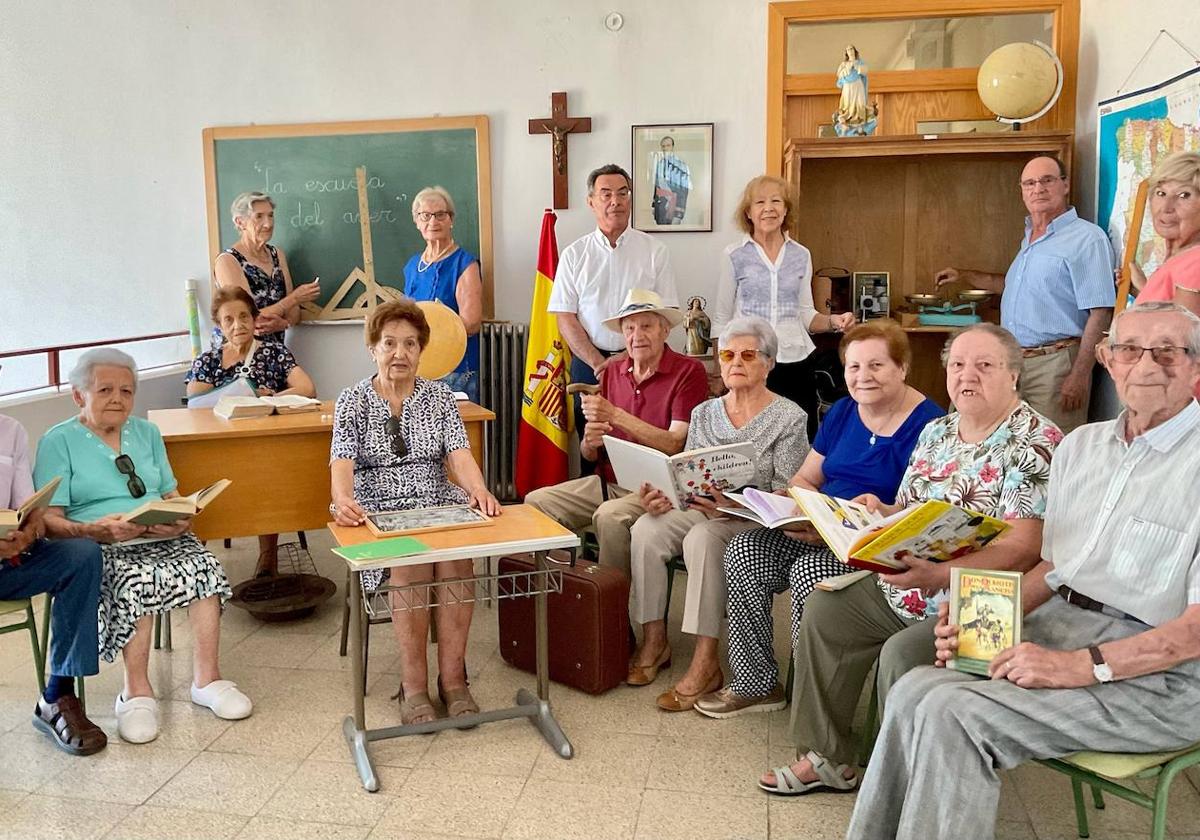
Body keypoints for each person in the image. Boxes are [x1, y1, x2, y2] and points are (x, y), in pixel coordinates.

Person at [846, 302, 1200, 840]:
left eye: (1168, 352)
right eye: (1129, 348)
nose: (1146, 365)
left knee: (951, 711)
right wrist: (978, 614)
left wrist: (1083, 666)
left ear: (1197, 366)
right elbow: (1058, 568)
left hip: (1163, 676)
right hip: (1062, 623)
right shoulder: (1084, 447)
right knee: (914, 691)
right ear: (1107, 359)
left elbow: (1193, 632)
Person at [757, 323, 1061, 796]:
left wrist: (939, 573)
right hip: (911, 582)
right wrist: (882, 512)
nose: (968, 376)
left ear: (1014, 375)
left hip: (983, 601)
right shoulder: (938, 431)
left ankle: (898, 781)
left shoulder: (1035, 442)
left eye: (984, 365)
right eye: (958, 365)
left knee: (901, 655)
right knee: (826, 610)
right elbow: (911, 506)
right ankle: (827, 757)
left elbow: (1025, 547)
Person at [696, 321, 943, 719]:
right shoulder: (844, 411)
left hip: (869, 542)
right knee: (743, 550)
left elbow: (923, 508)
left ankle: (809, 693)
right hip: (818, 525)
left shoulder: (931, 425)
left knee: (809, 572)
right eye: (854, 367)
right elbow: (807, 477)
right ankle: (755, 684)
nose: (863, 377)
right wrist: (796, 505)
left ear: (903, 367)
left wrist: (865, 514)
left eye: (876, 366)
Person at [34, 348, 252, 745]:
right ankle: (135, 692)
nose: (118, 399)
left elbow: (170, 491)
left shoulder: (147, 433)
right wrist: (94, 530)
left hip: (157, 534)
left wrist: (181, 517)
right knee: (137, 579)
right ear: (79, 395)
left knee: (205, 566)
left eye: (126, 391)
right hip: (99, 542)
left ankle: (207, 679)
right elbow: (48, 520)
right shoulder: (59, 441)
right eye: (105, 390)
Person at [329, 299, 500, 726]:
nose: (399, 353)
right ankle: (414, 686)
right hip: (380, 512)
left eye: (409, 344)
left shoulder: (440, 397)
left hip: (437, 503)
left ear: (421, 350)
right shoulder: (352, 401)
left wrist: (478, 489)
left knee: (457, 562)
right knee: (410, 567)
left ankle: (454, 681)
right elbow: (341, 463)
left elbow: (459, 455)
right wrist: (344, 499)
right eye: (389, 343)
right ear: (373, 348)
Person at [627, 317, 808, 710]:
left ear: (769, 362)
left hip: (751, 522)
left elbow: (789, 494)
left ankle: (706, 659)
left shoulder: (789, 417)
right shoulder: (705, 413)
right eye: (727, 354)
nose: (736, 362)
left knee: (703, 538)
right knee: (647, 528)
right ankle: (654, 639)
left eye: (748, 354)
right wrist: (664, 495)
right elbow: (688, 471)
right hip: (701, 509)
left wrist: (735, 504)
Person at [525, 289, 707, 576]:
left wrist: (616, 415)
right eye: (629, 328)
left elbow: (675, 443)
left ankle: (613, 613)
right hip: (609, 482)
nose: (637, 335)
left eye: (646, 326)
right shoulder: (612, 371)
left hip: (659, 489)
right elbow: (591, 452)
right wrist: (589, 442)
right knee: (536, 502)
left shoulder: (688, 371)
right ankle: (563, 598)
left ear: (665, 330)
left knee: (609, 517)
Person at [935, 155, 1115, 433]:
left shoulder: (1087, 238)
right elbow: (1014, 286)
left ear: (1065, 185)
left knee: (1051, 450)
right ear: (1022, 190)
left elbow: (1101, 312)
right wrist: (964, 275)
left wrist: (1079, 375)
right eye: (1029, 183)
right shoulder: (1030, 237)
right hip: (1012, 362)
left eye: (1047, 180)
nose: (1037, 189)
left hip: (1055, 366)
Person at [186, 285, 317, 577]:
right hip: (217, 447)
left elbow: (306, 388)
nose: (238, 324)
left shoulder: (273, 352)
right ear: (219, 326)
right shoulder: (208, 360)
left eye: (244, 316)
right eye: (228, 320)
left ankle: (267, 555)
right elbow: (194, 401)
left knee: (266, 475)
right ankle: (197, 555)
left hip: (263, 446)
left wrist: (268, 399)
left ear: (254, 318)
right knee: (195, 472)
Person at [712, 175, 856, 440]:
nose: (769, 208)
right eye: (760, 202)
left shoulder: (801, 255)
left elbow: (806, 314)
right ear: (749, 212)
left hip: (796, 361)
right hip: (750, 361)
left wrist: (835, 321)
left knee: (799, 437)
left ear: (786, 209)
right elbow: (722, 319)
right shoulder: (734, 254)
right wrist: (720, 369)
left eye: (776, 201)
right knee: (752, 439)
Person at [547, 164, 680, 449]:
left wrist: (623, 358)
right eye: (605, 194)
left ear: (630, 200)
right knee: (591, 442)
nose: (615, 201)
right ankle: (593, 492)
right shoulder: (574, 255)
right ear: (591, 201)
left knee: (639, 438)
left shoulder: (654, 251)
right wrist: (598, 362)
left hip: (643, 361)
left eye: (622, 194)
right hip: (588, 365)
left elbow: (666, 314)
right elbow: (565, 316)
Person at [0, 411, 106, 756]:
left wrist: (27, 534)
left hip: (10, 562)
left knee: (82, 555)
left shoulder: (11, 430)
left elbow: (28, 510)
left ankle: (57, 694)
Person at [402, 186, 484, 402]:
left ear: (451, 220)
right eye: (425, 215)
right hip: (416, 367)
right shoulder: (412, 266)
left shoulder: (464, 264)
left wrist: (435, 330)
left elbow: (472, 323)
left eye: (440, 214)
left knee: (455, 434)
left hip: (453, 369)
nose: (433, 221)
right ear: (417, 222)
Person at [211, 191, 321, 348]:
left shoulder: (278, 255)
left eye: (270, 216)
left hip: (273, 352)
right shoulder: (228, 261)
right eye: (259, 217)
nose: (268, 224)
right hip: (238, 354)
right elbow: (246, 316)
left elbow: (293, 313)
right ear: (240, 222)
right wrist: (295, 298)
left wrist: (284, 323)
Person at [1134, 151, 1200, 399]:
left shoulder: (1194, 262)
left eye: (1184, 195)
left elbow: (1179, 350)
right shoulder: (1179, 258)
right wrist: (1142, 287)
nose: (1167, 207)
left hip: (1176, 406)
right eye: (1161, 193)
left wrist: (1119, 347)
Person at [651, 135, 691, 226]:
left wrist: (679, 213)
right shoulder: (659, 164)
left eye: (668, 145)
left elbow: (684, 190)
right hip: (660, 207)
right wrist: (654, 205)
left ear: (673, 147)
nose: (665, 148)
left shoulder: (681, 165)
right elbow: (657, 186)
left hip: (673, 206)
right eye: (663, 146)